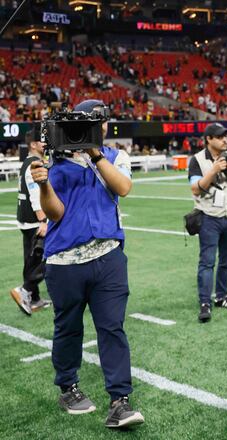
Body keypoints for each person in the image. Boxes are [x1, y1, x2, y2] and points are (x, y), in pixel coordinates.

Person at [29, 99, 144, 427]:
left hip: (108, 256)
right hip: (65, 260)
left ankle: (120, 400)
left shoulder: (114, 156)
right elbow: (56, 214)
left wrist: (94, 153)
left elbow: (123, 187)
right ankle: (68, 386)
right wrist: (43, 184)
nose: (96, 127)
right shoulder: (57, 161)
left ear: (106, 124)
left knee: (113, 327)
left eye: (99, 122)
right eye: (87, 123)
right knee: (68, 327)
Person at [188, 123, 227, 323]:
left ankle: (221, 297)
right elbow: (196, 189)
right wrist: (213, 171)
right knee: (207, 261)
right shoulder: (197, 159)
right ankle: (205, 302)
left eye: (226, 136)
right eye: (220, 137)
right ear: (208, 139)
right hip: (209, 217)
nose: (225, 139)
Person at [10, 124, 52, 315]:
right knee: (44, 260)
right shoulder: (35, 164)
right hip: (35, 221)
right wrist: (43, 221)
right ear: (34, 144)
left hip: (25, 220)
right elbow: (36, 196)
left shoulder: (27, 161)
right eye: (42, 141)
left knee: (30, 259)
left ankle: (33, 299)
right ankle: (26, 290)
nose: (45, 144)